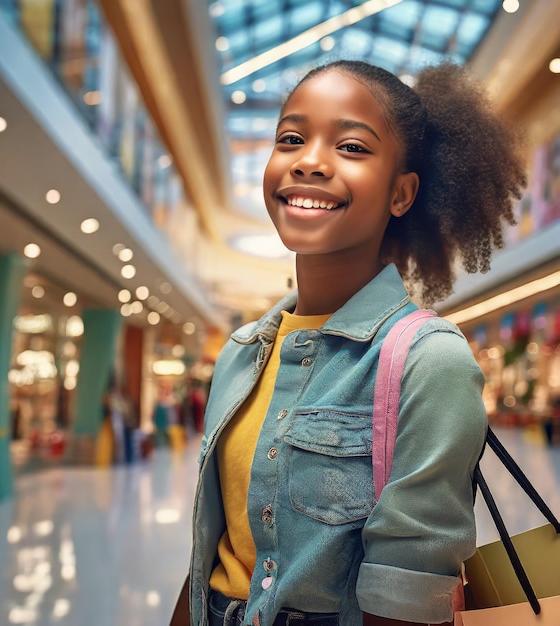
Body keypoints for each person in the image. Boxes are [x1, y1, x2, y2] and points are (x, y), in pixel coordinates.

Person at [171, 60, 526, 626]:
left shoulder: (428, 360)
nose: (309, 161)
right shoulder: (241, 351)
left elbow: (408, 596)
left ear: (401, 193)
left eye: (353, 147)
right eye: (291, 138)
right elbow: (213, 551)